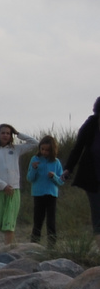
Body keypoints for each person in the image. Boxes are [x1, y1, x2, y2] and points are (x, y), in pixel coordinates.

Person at [0, 122, 36, 253]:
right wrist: (2, 185)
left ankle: (8, 252)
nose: (5, 135)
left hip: (13, 190)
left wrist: (18, 133)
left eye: (8, 133)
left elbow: (34, 143)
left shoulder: (15, 149)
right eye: (3, 133)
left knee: (9, 223)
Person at [63, 97, 100, 239]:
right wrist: (68, 168)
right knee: (97, 213)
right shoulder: (91, 125)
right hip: (93, 177)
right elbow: (78, 148)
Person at [27, 136, 64, 245]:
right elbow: (30, 178)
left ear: (52, 150)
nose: (44, 152)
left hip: (51, 195)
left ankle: (52, 246)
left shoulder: (56, 162)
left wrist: (54, 177)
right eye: (42, 149)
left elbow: (61, 181)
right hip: (38, 194)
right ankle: (34, 244)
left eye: (47, 150)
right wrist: (33, 169)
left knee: (51, 221)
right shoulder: (35, 159)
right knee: (38, 221)